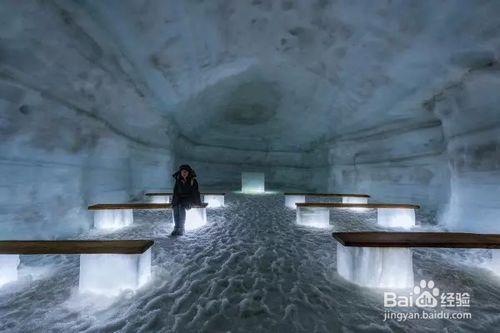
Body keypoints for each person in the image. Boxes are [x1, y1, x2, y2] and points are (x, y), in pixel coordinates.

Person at [170, 164, 201, 236]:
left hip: (188, 199)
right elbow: (175, 191)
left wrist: (197, 202)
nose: (184, 173)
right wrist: (173, 202)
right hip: (179, 198)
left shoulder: (193, 181)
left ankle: (181, 228)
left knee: (181, 207)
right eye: (183, 172)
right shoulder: (178, 180)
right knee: (175, 207)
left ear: (188, 172)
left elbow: (195, 192)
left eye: (186, 172)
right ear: (180, 172)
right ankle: (176, 227)